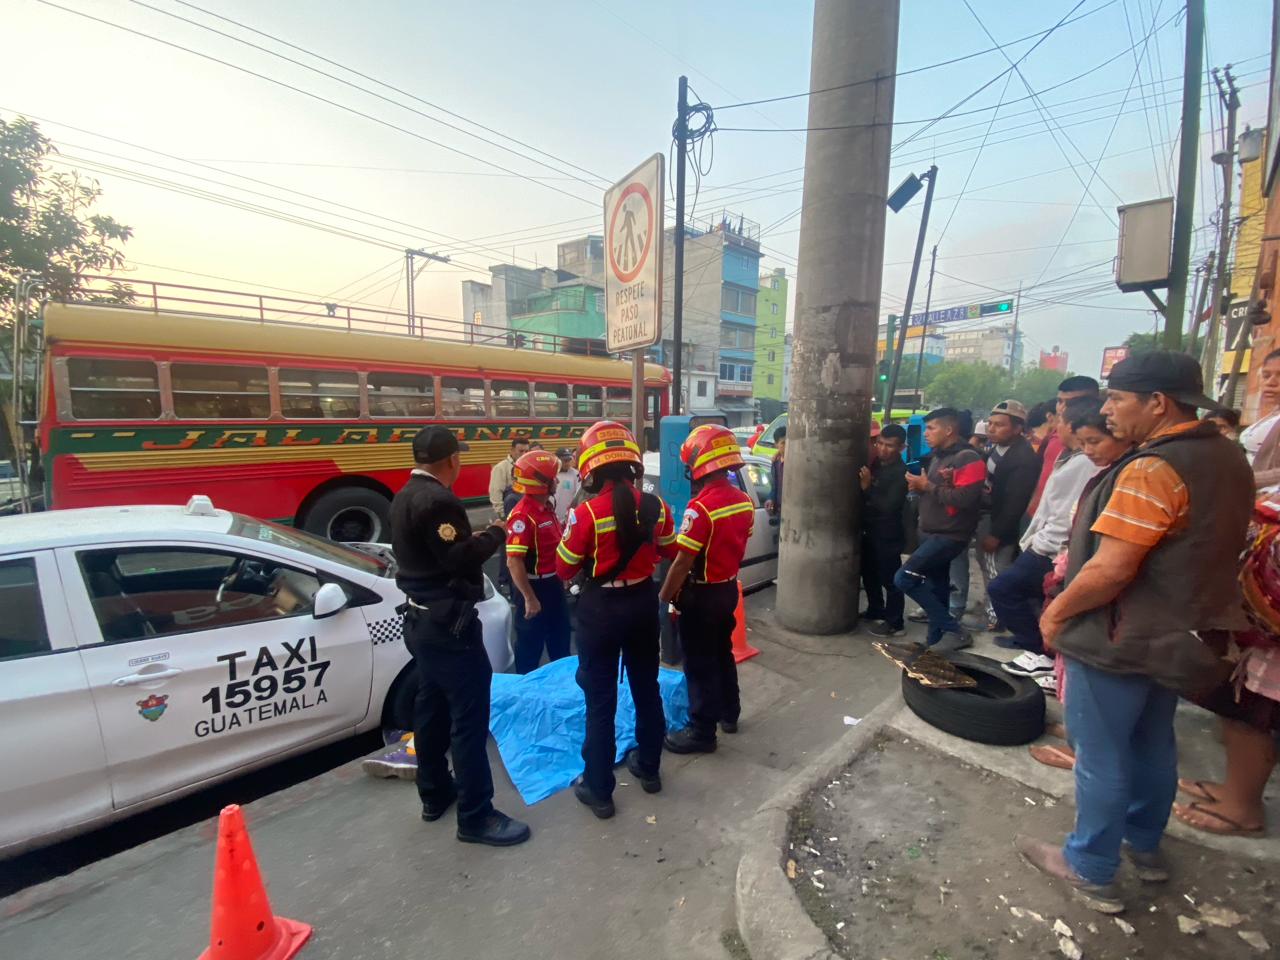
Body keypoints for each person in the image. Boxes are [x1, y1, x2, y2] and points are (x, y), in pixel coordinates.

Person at [1015, 351, 1252, 914]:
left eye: (1118, 398)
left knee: (1100, 754)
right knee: (1151, 743)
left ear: (1157, 403)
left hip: (1122, 635)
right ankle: (1144, 846)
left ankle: (1089, 866)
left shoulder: (1153, 469)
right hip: (1179, 634)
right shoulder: (1228, 458)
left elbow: (1111, 569)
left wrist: (1056, 615)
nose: (1110, 410)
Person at [390, 426, 530, 847]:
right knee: (468, 720)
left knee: (430, 709)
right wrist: (496, 534)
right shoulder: (438, 500)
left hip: (421, 622)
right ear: (451, 460)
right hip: (448, 627)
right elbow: (458, 557)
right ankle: (476, 815)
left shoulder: (403, 496)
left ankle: (434, 793)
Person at [556, 420, 677, 818]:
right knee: (647, 688)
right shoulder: (656, 507)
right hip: (643, 603)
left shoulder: (587, 513)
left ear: (591, 468)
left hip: (601, 612)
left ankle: (599, 790)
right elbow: (667, 550)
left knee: (600, 700)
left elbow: (563, 566)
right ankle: (651, 770)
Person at [659, 424, 755, 753]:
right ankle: (730, 714)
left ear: (698, 466)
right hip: (728, 590)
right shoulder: (743, 501)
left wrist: (665, 595)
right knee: (722, 654)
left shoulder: (700, 508)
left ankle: (702, 732)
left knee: (699, 663)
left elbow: (683, 562)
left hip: (700, 596)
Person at [992, 398, 1105, 666]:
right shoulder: (1070, 456)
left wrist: (1040, 544)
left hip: (1052, 548)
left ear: (1072, 426)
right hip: (1044, 541)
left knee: (1003, 589)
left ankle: (1038, 650)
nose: (1054, 428)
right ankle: (1032, 641)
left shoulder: (1085, 464)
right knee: (1033, 596)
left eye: (1059, 422)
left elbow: (1067, 513)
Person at [894, 408, 985, 650]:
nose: (926, 434)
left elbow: (966, 498)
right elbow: (936, 490)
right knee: (938, 589)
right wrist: (920, 488)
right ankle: (934, 641)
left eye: (931, 428)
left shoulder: (968, 458)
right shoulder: (939, 456)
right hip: (931, 532)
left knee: (903, 578)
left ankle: (954, 630)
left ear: (949, 429)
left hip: (949, 535)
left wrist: (927, 486)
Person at [505, 449, 572, 675]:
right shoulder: (523, 515)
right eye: (552, 477)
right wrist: (529, 598)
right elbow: (514, 561)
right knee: (529, 649)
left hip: (553, 584)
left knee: (561, 642)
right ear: (541, 482)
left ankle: (561, 688)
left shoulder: (547, 507)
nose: (556, 480)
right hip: (534, 587)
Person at [1027, 376, 1101, 518]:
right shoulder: (1053, 435)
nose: (1062, 408)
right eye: (1060, 401)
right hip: (1037, 517)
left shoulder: (1097, 449)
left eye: (1072, 403)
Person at [861, 424, 909, 638]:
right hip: (870, 529)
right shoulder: (877, 465)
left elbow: (889, 506)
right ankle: (875, 609)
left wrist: (868, 486)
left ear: (901, 448)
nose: (882, 448)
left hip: (888, 532)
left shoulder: (900, 472)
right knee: (869, 573)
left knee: (890, 579)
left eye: (889, 446)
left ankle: (895, 622)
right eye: (880, 443)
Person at [1240, 348, 1280, 491]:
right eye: (1266, 375)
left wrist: (1243, 479)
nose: (1271, 382)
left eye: (1279, 375)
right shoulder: (1274, 413)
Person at [488, 436, 530, 520]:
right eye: (521, 451)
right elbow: (496, 492)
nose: (524, 454)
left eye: (526, 451)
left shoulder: (528, 466)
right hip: (509, 512)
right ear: (512, 450)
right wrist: (503, 516)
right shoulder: (500, 468)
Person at [553, 447, 580, 523]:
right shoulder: (551, 474)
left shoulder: (576, 475)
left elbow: (577, 498)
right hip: (552, 518)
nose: (567, 463)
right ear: (557, 460)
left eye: (569, 460)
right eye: (565, 461)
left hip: (568, 520)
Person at [766, 427, 786, 517]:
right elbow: (774, 487)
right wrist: (770, 499)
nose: (787, 446)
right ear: (776, 445)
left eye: (789, 442)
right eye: (783, 443)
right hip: (779, 512)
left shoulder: (795, 462)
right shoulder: (775, 463)